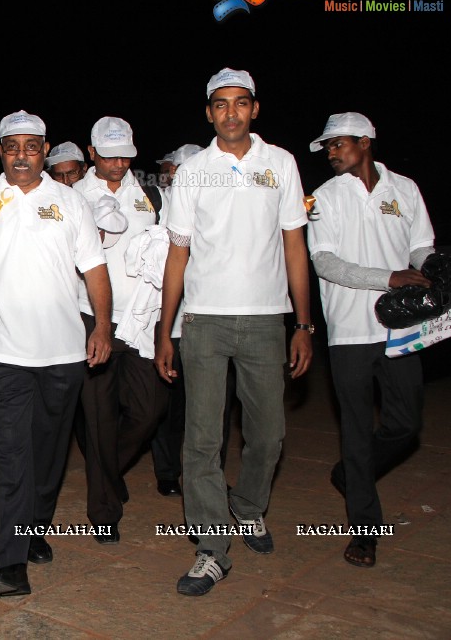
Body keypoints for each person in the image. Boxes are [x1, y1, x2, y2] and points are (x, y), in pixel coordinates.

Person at [0, 110, 112, 598]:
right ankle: (10, 563)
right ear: (0, 151)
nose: (21, 155)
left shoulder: (71, 203)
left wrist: (101, 325)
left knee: (50, 451)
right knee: (11, 454)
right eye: (12, 146)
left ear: (44, 150)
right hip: (0, 352)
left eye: (31, 146)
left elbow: (95, 268)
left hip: (62, 352)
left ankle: (36, 523)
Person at [155, 68, 313, 596]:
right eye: (220, 105)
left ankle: (248, 507)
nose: (230, 113)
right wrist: (165, 328)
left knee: (268, 433)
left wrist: (303, 323)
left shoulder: (281, 164)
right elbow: (178, 254)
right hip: (203, 320)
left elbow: (295, 246)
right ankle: (211, 547)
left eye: (240, 103)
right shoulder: (193, 172)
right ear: (208, 112)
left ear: (254, 108)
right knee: (202, 439)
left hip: (267, 318)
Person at [307, 112, 435, 568]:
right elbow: (326, 263)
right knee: (356, 429)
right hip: (349, 330)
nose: (331, 152)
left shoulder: (405, 189)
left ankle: (351, 474)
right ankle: (364, 531)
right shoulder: (324, 197)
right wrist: (390, 278)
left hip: (402, 327)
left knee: (405, 423)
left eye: (338, 144)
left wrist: (432, 266)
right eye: (327, 147)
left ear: (365, 141)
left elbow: (420, 245)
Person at [74, 116, 165, 542]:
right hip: (91, 319)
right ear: (92, 154)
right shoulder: (72, 196)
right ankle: (104, 511)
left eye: (125, 155)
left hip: (140, 320)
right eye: (109, 156)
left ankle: (106, 470)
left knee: (148, 411)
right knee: (98, 416)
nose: (118, 164)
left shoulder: (148, 194)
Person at [149, 142, 204, 498]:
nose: (170, 174)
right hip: (168, 318)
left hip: (206, 318)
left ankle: (201, 474)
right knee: (166, 404)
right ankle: (167, 471)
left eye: (175, 169)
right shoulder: (158, 204)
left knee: (200, 405)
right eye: (170, 170)